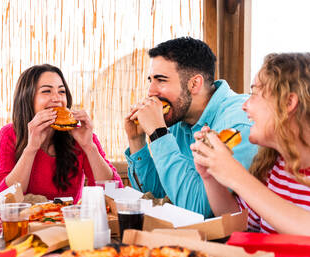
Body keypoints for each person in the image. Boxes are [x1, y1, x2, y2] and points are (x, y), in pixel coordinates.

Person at [125, 37, 258, 217]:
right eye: (151, 80)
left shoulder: (238, 125)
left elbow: (199, 210)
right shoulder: (180, 118)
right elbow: (156, 195)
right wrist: (137, 140)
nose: (150, 92)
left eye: (161, 80)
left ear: (195, 84)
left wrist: (159, 134)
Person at [191, 53, 310, 234]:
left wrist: (234, 174)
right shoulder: (273, 166)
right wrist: (210, 176)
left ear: (288, 102)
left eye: (254, 94)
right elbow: (240, 222)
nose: (244, 105)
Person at [0, 64, 123, 201]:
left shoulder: (81, 135)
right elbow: (1, 199)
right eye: (47, 91)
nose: (57, 99)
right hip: (25, 221)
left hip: (69, 220)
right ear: (27, 98)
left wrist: (89, 147)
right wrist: (31, 149)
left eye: (62, 92)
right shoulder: (9, 134)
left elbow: (114, 193)